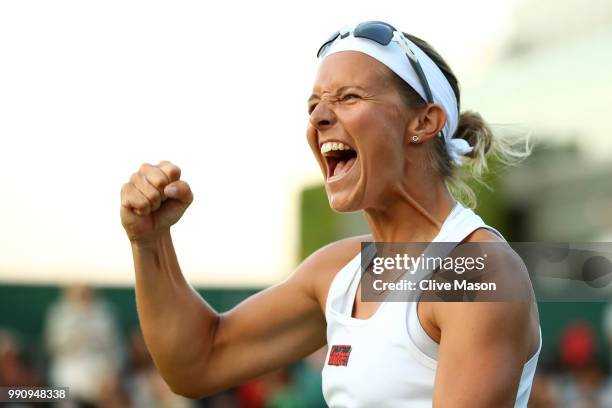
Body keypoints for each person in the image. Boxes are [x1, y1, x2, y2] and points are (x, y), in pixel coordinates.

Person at [119, 20, 541, 407]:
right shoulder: (339, 271)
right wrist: (149, 241)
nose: (318, 117)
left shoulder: (478, 270)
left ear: (424, 122)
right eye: (314, 104)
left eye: (349, 97)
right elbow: (197, 362)